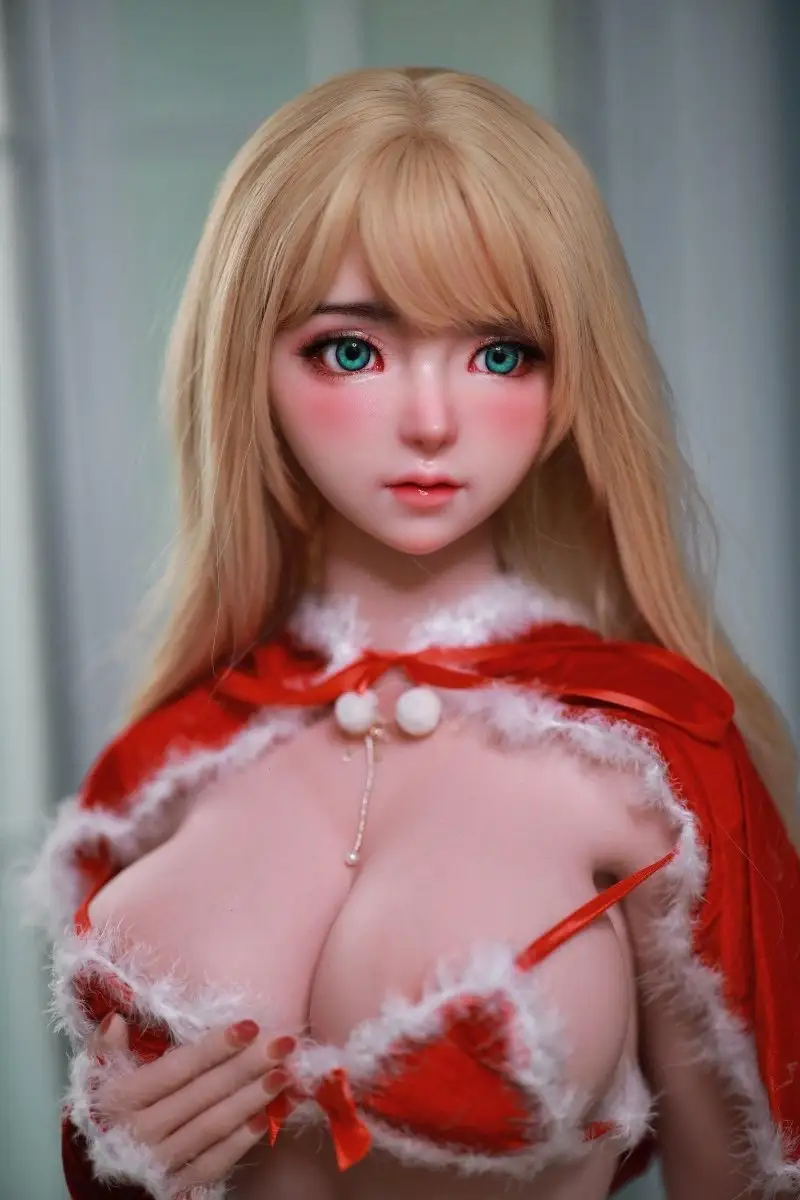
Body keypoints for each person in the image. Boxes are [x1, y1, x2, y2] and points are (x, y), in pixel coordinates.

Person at [30, 66, 800, 1200]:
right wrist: (112, 1162)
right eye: (353, 350)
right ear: (249, 365)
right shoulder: (166, 767)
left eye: (501, 353)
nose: (431, 422)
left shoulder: (648, 748)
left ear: (571, 380)